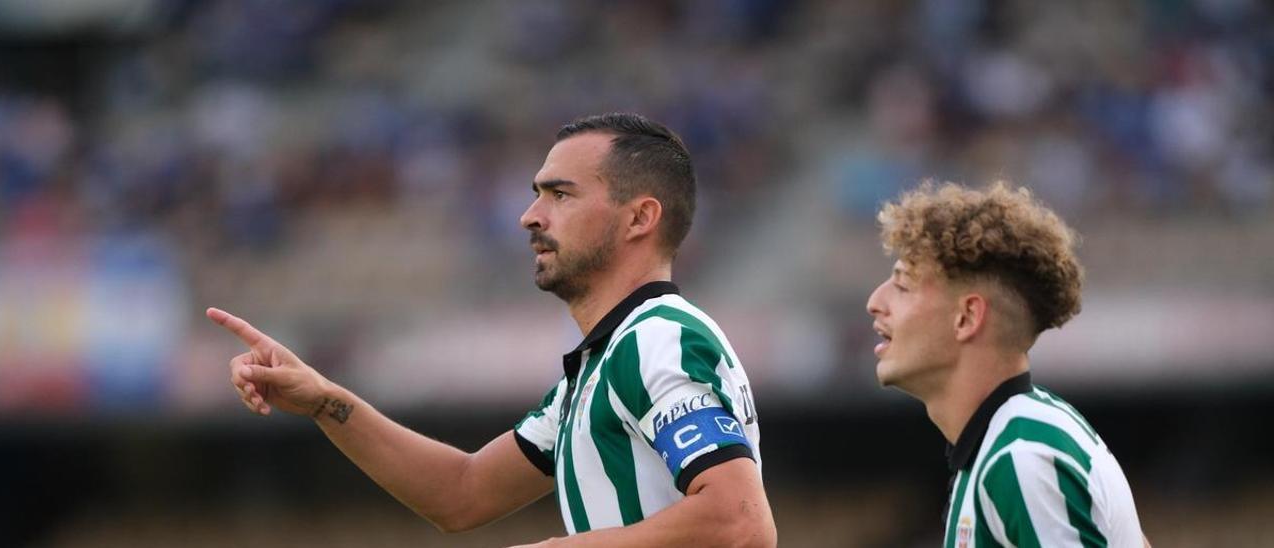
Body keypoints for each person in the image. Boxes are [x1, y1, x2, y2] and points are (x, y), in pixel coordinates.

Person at [207, 112, 776, 547]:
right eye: (536, 194)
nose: (530, 215)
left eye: (560, 194)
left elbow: (740, 519)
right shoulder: (601, 366)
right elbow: (462, 493)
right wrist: (325, 401)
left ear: (639, 218)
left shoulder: (657, 339)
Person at [865, 181, 1150, 547]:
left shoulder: (1021, 457)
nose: (875, 302)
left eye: (903, 286)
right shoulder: (1012, 441)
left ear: (967, 317)